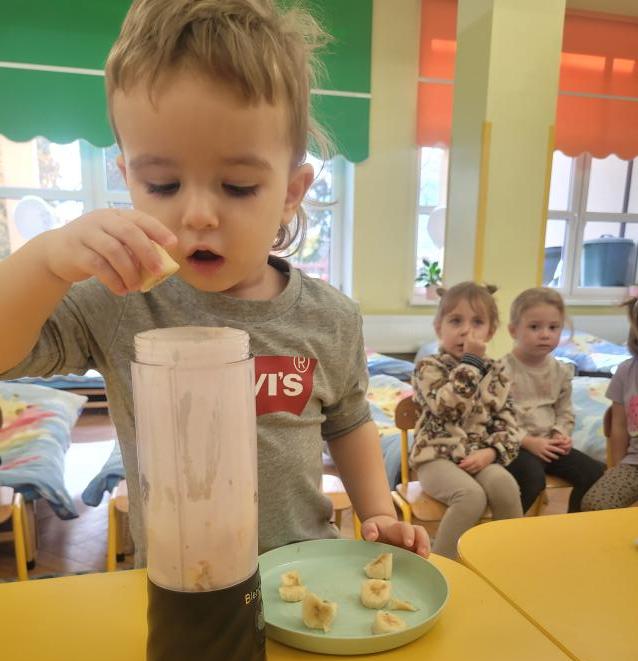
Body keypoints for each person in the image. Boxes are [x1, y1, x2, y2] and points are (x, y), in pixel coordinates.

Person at [0, 0, 429, 562]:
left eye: (237, 186)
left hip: (303, 572)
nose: (199, 214)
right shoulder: (121, 299)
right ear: (128, 179)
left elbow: (348, 423)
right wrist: (46, 261)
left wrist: (377, 514)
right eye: (163, 184)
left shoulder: (331, 317)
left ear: (291, 194)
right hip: (183, 581)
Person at [410, 281, 523, 560]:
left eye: (477, 322)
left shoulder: (497, 372)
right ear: (439, 327)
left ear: (490, 332)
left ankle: (507, 560)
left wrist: (492, 452)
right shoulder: (429, 367)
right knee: (471, 496)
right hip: (434, 457)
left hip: (477, 456)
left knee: (505, 485)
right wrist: (471, 363)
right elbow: (448, 409)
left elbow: (509, 424)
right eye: (456, 321)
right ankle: (441, 564)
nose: (466, 330)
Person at [504, 289, 605, 513]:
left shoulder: (561, 371)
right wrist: (527, 441)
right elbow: (495, 419)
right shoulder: (501, 371)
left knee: (594, 473)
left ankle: (570, 525)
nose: (545, 335)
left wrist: (561, 433)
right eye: (534, 327)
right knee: (532, 479)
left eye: (553, 327)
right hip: (514, 447)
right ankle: (506, 527)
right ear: (513, 330)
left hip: (550, 445)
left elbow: (564, 411)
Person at [582, 297, 638, 511]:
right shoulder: (626, 371)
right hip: (634, 465)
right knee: (594, 504)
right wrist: (615, 468)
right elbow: (619, 427)